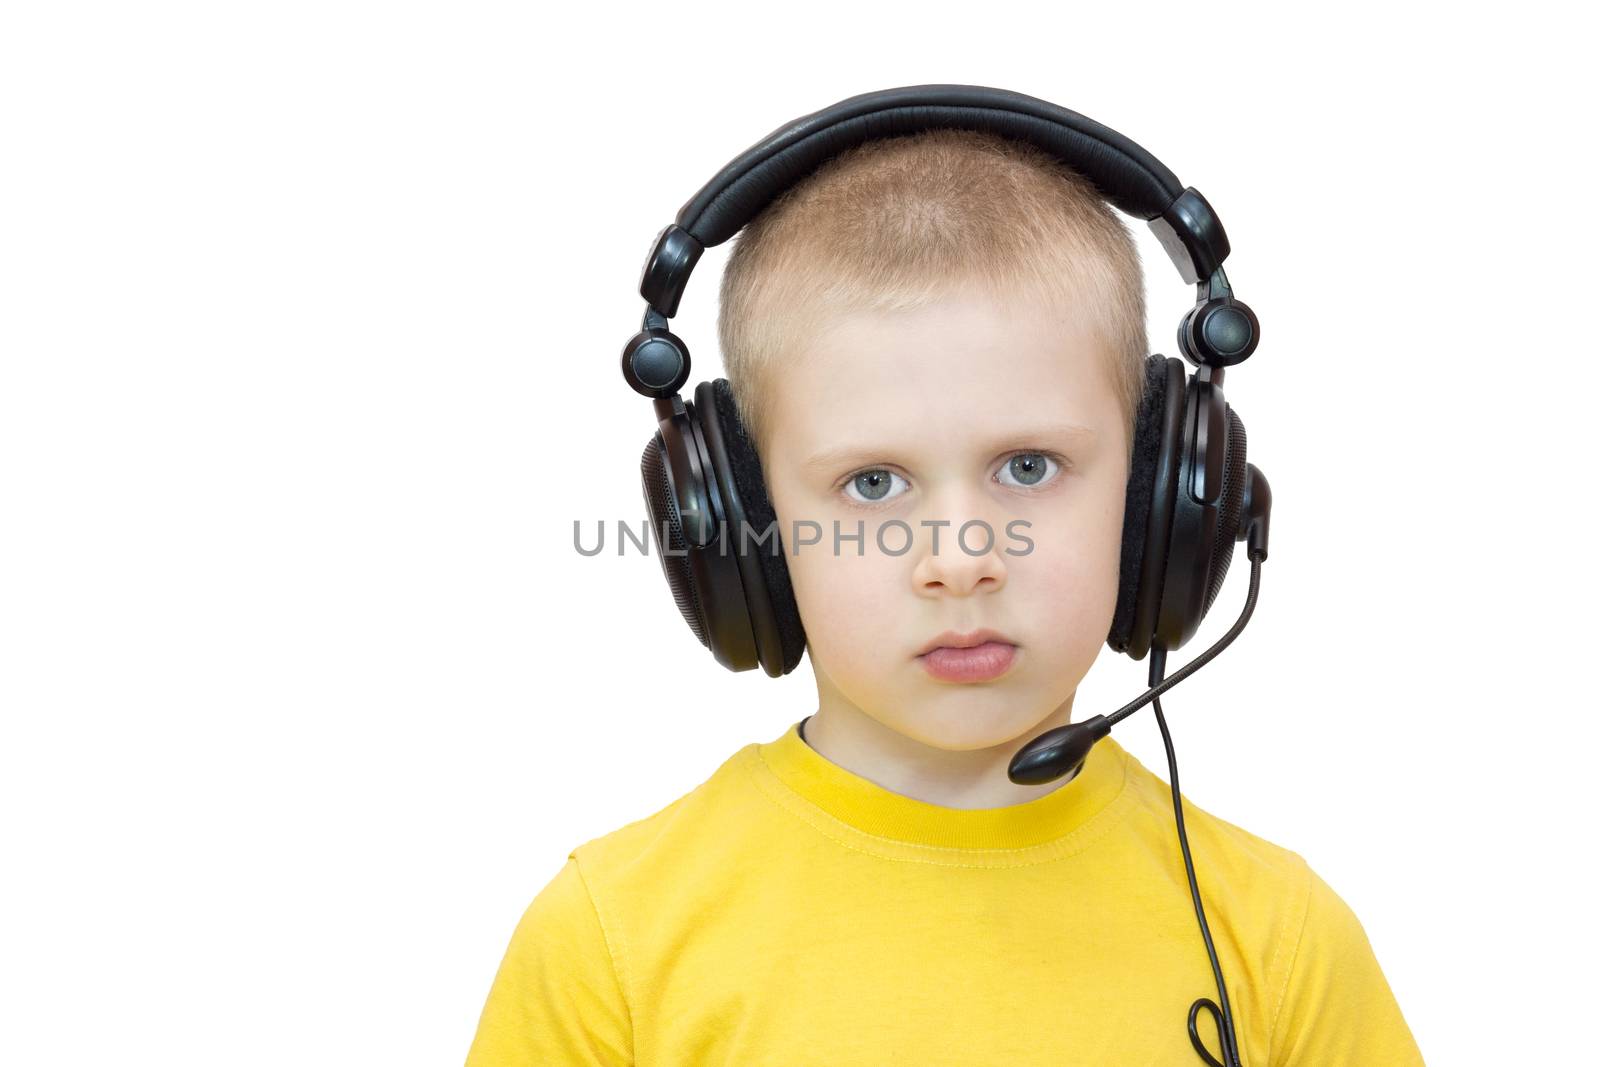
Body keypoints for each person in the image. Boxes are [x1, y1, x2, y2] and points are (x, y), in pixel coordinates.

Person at [465, 122, 1424, 1065]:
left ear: (1158, 498)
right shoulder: (611, 942)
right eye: (873, 483)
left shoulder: (1280, 941)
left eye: (1029, 465)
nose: (960, 558)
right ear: (737, 524)